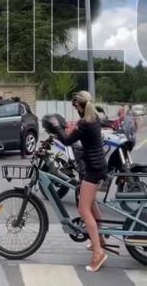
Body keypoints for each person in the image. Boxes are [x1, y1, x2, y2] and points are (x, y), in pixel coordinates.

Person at [49, 91, 109, 273]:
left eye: (75, 106)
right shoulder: (94, 118)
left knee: (83, 209)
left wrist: (56, 126)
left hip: (93, 169)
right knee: (91, 204)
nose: (75, 109)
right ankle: (100, 239)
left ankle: (98, 253)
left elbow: (67, 141)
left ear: (80, 106)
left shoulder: (85, 123)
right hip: (98, 166)